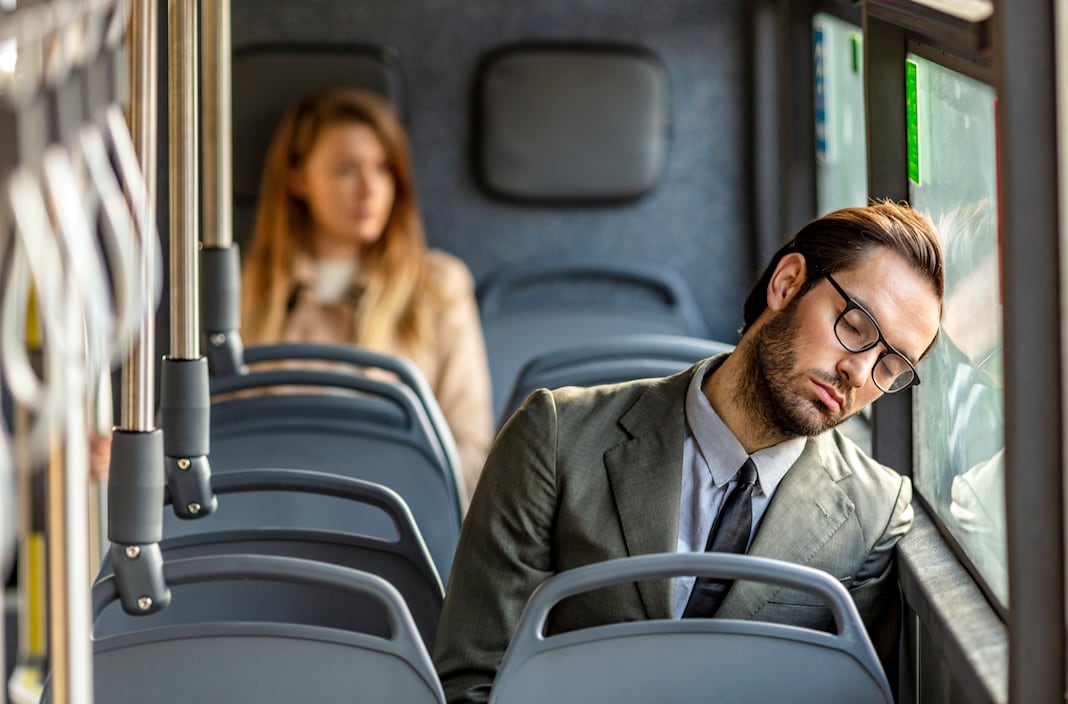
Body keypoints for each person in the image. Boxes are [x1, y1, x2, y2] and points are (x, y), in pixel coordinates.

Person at [434, 202, 945, 703]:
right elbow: (474, 682)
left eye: (892, 365)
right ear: (787, 283)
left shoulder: (873, 513)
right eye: (855, 327)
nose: (859, 374)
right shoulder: (556, 438)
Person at [241, 88, 493, 495]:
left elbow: (470, 446)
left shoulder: (438, 286)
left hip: (402, 526)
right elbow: (217, 442)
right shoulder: (248, 291)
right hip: (279, 522)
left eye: (383, 169)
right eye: (345, 170)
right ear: (298, 179)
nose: (370, 189)